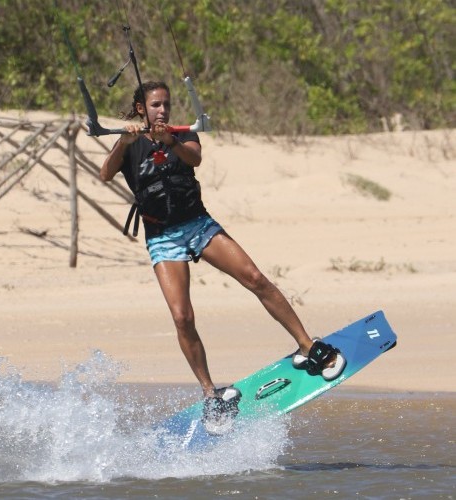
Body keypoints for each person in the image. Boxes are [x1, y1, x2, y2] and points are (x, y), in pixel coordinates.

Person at [100, 81, 345, 427]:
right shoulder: (128, 142)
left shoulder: (183, 134)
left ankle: (307, 345)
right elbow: (105, 173)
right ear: (141, 108)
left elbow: (194, 158)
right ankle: (209, 393)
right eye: (156, 105)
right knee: (182, 317)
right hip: (162, 238)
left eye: (167, 104)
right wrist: (124, 142)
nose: (163, 111)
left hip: (198, 226)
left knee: (255, 278)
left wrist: (169, 139)